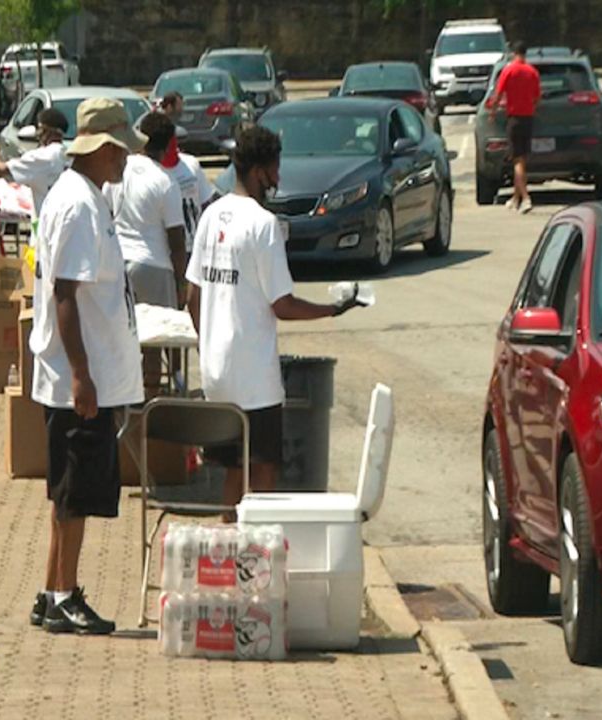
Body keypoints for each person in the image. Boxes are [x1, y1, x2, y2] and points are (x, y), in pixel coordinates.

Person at [186, 126, 364, 517]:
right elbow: (282, 305)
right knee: (263, 467)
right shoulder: (263, 224)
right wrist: (332, 310)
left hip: (216, 372)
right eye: (275, 169)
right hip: (254, 378)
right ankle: (252, 554)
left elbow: (192, 297)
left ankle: (228, 542)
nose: (279, 179)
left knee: (232, 465)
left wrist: (210, 343)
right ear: (258, 171)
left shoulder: (210, 215)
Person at [29, 97, 146, 635]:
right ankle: (63, 596)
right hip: (80, 379)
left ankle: (54, 589)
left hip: (83, 374)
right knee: (74, 494)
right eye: (121, 152)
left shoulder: (85, 197)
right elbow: (65, 296)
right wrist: (81, 375)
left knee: (66, 493)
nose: (126, 162)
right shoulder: (77, 206)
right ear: (101, 149)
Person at [105, 111, 186, 392]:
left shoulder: (119, 171)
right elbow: (177, 239)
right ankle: (158, 394)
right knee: (159, 338)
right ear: (166, 147)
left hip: (120, 262)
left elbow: (107, 212)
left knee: (125, 335)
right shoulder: (165, 181)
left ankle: (127, 397)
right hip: (154, 266)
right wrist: (181, 283)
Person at [0, 107, 69, 224]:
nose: (37, 134)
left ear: (46, 130)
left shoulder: (42, 156)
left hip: (47, 223)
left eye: (39, 129)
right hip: (66, 219)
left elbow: (5, 169)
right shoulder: (67, 154)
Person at [486, 41, 541, 214]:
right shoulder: (532, 72)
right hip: (528, 118)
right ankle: (515, 198)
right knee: (522, 158)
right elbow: (537, 97)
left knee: (517, 159)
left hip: (514, 118)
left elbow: (498, 94)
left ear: (513, 53)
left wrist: (493, 112)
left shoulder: (508, 70)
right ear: (525, 53)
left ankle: (525, 198)